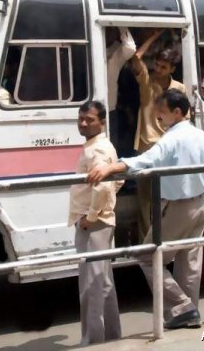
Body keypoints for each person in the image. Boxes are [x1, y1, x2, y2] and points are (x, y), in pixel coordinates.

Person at [87, 89, 204, 330]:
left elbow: (147, 160)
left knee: (148, 256)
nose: (159, 120)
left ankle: (184, 307)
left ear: (176, 113)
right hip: (199, 204)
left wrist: (112, 168)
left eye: (161, 116)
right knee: (189, 262)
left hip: (177, 207)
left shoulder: (171, 138)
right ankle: (189, 314)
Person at [68, 100, 122, 345]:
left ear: (102, 122)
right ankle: (111, 335)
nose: (83, 123)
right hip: (100, 218)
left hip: (94, 222)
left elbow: (102, 186)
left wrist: (90, 216)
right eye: (81, 118)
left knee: (91, 285)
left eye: (89, 119)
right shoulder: (99, 145)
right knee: (102, 281)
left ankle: (93, 341)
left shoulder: (97, 150)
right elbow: (116, 181)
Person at [131, 29, 186, 242]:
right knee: (145, 202)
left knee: (167, 198)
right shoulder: (147, 83)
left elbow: (183, 121)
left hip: (170, 149)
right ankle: (147, 245)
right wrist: (153, 36)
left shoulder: (179, 89)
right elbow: (136, 58)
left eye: (164, 67)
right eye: (157, 65)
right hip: (147, 147)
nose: (159, 70)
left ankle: (165, 241)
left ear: (172, 69)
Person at [106, 27, 136, 147]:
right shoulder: (90, 47)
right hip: (89, 110)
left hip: (110, 109)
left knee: (112, 149)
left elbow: (130, 48)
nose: (108, 33)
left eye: (110, 28)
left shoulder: (116, 52)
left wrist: (120, 25)